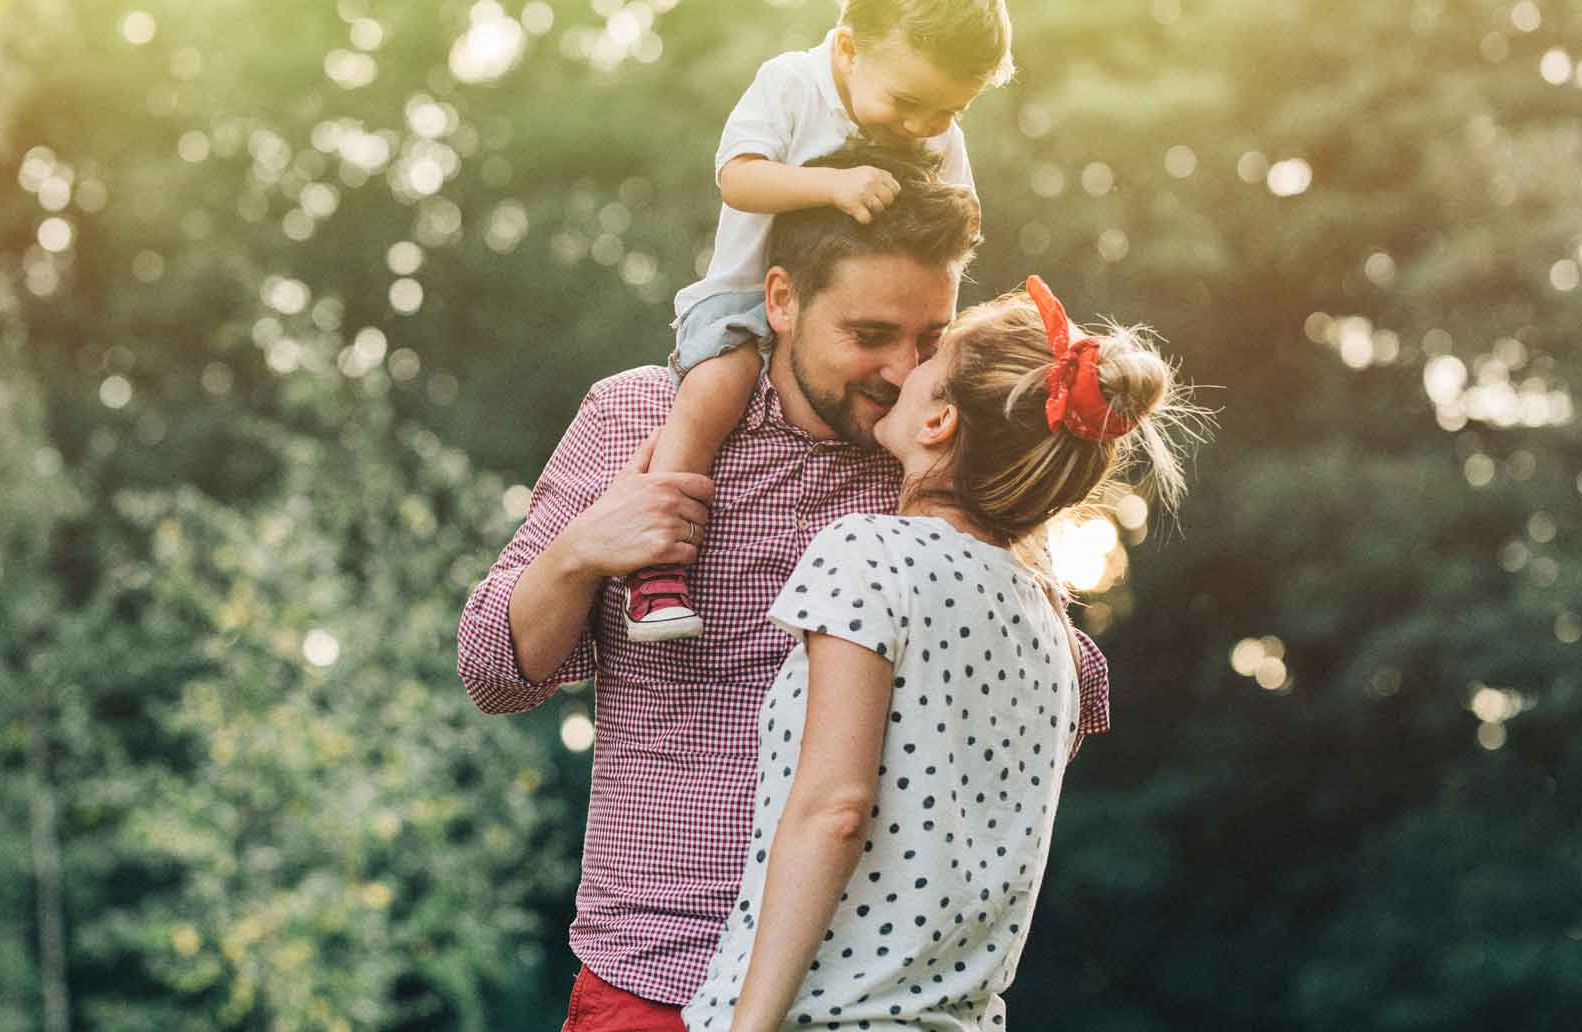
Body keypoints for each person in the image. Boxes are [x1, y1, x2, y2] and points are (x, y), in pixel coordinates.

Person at [455, 142, 1111, 1031]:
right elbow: (495, 672)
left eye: (927, 340)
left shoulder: (934, 477)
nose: (897, 370)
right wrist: (581, 551)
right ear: (781, 301)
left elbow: (1064, 699)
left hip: (851, 995)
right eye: (868, 334)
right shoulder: (641, 418)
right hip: (656, 970)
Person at [682, 277, 1201, 1031]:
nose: (902, 369)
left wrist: (748, 1024)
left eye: (928, 359)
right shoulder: (1054, 633)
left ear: (938, 420)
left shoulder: (868, 555)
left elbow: (834, 810)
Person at [625, 0, 1016, 643]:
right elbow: (739, 179)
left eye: (948, 111)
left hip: (846, 290)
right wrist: (833, 188)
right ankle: (656, 566)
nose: (923, 126)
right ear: (847, 51)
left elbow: (954, 224)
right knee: (713, 393)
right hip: (742, 296)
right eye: (906, 102)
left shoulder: (935, 131)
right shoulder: (791, 85)